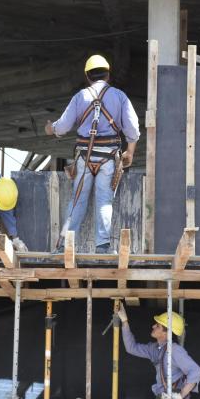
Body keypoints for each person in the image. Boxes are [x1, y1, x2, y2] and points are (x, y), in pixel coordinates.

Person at [45, 54, 140, 254]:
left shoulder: (80, 96)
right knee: (104, 200)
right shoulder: (119, 96)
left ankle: (64, 245)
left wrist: (50, 128)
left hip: (84, 157)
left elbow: (62, 127)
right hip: (108, 157)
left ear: (87, 76)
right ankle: (103, 247)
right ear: (108, 75)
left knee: (77, 199)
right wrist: (130, 151)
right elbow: (132, 128)